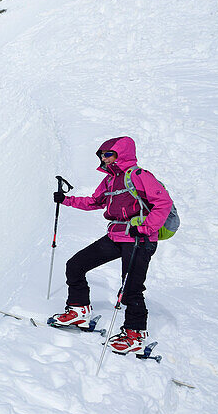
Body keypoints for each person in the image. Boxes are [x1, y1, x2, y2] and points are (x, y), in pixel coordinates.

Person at [49, 136, 173, 354]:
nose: (104, 159)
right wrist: (66, 200)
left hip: (140, 240)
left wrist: (144, 228)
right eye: (102, 155)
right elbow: (95, 202)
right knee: (75, 265)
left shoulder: (139, 176)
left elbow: (163, 203)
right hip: (117, 236)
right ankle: (78, 311)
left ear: (121, 154)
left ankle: (134, 334)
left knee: (130, 289)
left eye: (108, 154)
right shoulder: (109, 180)